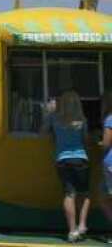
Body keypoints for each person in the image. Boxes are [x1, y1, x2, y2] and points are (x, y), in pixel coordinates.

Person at [45, 90, 90, 242]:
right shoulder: (81, 120)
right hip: (80, 159)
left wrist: (48, 112)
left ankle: (72, 231)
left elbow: (42, 133)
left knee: (69, 194)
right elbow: (86, 139)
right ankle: (82, 225)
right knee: (84, 193)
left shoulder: (54, 118)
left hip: (62, 160)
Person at [100, 92, 112, 229]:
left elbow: (106, 143)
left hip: (111, 162)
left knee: (105, 199)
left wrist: (101, 142)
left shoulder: (110, 119)